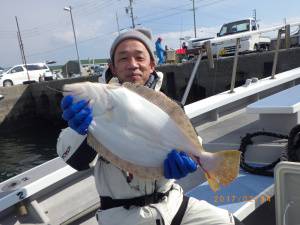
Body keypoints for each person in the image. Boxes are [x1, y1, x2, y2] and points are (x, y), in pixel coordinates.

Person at [57, 29, 243, 225]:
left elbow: (193, 146)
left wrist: (190, 160)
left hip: (173, 204)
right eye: (123, 59)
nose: (133, 65)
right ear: (112, 67)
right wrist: (80, 132)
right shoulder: (94, 105)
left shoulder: (170, 106)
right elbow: (76, 161)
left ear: (152, 64)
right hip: (122, 216)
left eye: (139, 57)